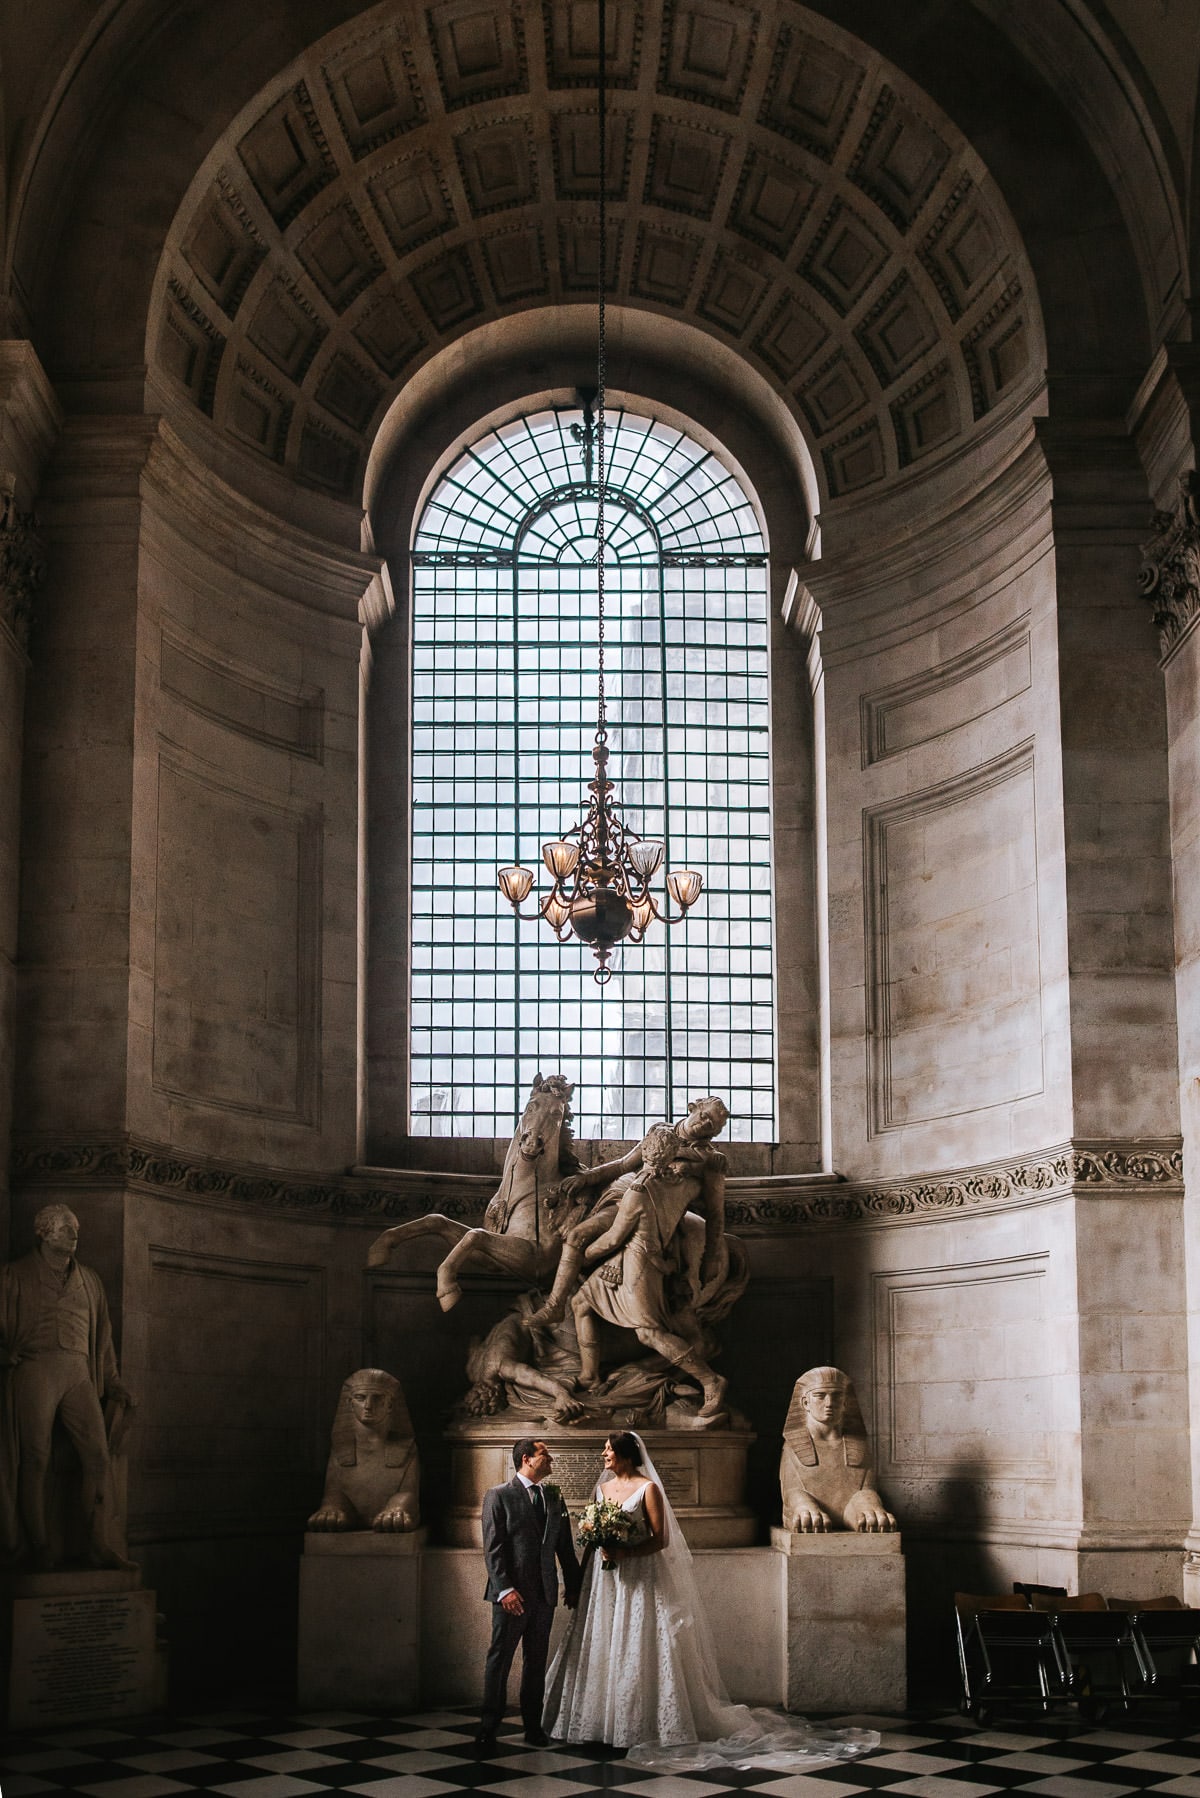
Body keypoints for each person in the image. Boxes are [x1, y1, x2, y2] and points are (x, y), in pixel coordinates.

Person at [544, 1430, 881, 1774]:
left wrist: (626, 1552)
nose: (604, 1455)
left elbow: (660, 1539)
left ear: (626, 1455)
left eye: (608, 1450)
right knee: (607, 1638)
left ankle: (641, 1723)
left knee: (639, 1639)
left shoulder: (648, 1489)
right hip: (605, 1580)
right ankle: (602, 1722)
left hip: (640, 1573)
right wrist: (582, 1577)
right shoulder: (602, 1490)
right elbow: (592, 1540)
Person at [0, 1204, 136, 1570]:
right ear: (44, 1233)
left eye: (75, 1229)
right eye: (65, 1229)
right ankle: (38, 1545)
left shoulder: (89, 1280)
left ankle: (98, 1543)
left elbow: (103, 1338)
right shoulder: (14, 1275)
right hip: (35, 1368)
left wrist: (113, 1380)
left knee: (98, 1457)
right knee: (35, 1458)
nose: (74, 1235)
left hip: (79, 1372)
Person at [569, 1125, 729, 1419]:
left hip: (637, 1264)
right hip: (649, 1259)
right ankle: (589, 1375)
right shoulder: (685, 1185)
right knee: (581, 1302)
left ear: (644, 1151)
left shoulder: (638, 1191)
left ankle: (710, 1380)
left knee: (649, 1334)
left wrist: (583, 1255)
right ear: (672, 1155)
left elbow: (613, 1239)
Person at [530, 1096, 729, 1328]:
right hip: (624, 1195)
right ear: (692, 1108)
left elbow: (715, 1213)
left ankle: (557, 1303)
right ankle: (557, 1303)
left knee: (580, 1237)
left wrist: (712, 1255)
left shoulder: (712, 1160)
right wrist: (587, 1177)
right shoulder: (660, 1130)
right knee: (574, 1229)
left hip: (653, 1210)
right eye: (704, 1116)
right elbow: (624, 1164)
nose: (704, 1125)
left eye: (711, 1126)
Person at [478, 1437, 581, 1750]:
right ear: (526, 1459)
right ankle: (488, 1727)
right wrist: (505, 1589)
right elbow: (493, 1548)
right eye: (544, 1454)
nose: (550, 1459)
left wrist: (573, 1586)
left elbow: (564, 1547)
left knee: (536, 1663)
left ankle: (533, 1726)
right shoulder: (498, 1495)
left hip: (544, 1596)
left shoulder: (554, 1496)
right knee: (500, 1660)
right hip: (511, 1597)